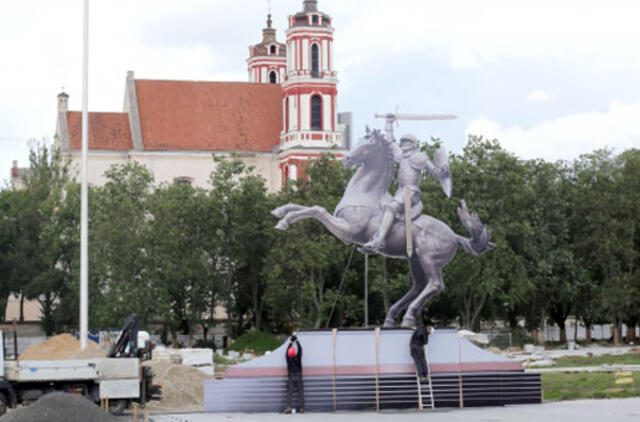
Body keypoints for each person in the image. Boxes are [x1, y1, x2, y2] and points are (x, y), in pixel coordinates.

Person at [361, 115, 450, 254]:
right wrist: (389, 123)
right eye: (403, 141)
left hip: (411, 192)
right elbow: (390, 142)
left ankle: (379, 240)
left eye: (407, 141)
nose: (403, 143)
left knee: (391, 207)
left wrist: (443, 172)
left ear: (413, 143)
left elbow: (435, 173)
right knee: (381, 204)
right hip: (400, 191)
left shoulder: (420, 157)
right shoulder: (401, 155)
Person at [283, 334, 304, 414]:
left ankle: (288, 407)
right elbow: (300, 350)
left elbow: (286, 353)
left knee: (289, 393)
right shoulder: (298, 358)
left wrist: (291, 342)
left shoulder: (288, 359)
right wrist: (297, 341)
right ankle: (301, 408)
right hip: (299, 375)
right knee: (300, 392)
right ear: (294, 353)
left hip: (291, 376)